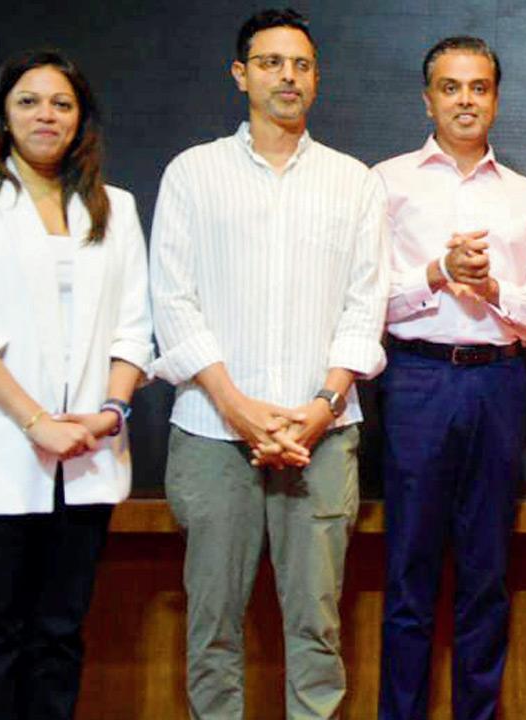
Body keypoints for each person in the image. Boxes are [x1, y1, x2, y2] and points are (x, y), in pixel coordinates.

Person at [149, 8, 388, 719]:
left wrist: (318, 408)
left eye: (302, 65)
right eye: (272, 62)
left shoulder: (354, 183)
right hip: (212, 432)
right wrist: (238, 407)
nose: (288, 76)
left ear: (316, 80)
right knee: (212, 626)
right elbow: (173, 301)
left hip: (322, 434)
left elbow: (363, 306)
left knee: (316, 628)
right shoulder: (193, 173)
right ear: (241, 74)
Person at [0, 49, 153, 720]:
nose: (45, 114)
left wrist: (110, 410)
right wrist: (35, 422)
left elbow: (135, 327)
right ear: (2, 113)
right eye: (29, 101)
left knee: (58, 635)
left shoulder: (115, 206)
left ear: (81, 120)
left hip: (89, 452)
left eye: (61, 103)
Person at [373, 36, 526, 720]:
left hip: (498, 384)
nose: (465, 100)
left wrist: (491, 290)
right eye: (451, 87)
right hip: (417, 380)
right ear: (428, 99)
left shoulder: (524, 195)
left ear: (496, 98)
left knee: (486, 576)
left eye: (479, 87)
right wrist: (435, 273)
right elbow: (361, 297)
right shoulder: (387, 182)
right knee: (408, 578)